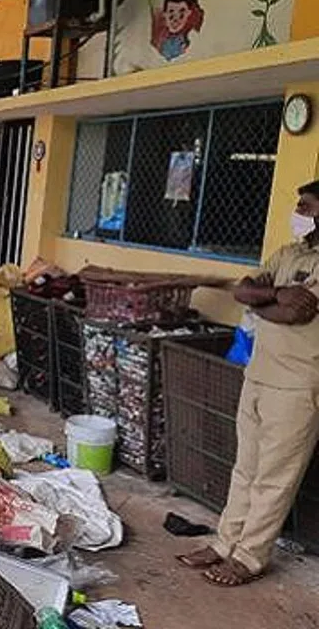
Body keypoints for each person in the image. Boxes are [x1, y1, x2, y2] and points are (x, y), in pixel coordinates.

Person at [178, 181, 319, 586]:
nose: (298, 212)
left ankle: (250, 557)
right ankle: (224, 545)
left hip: (298, 385)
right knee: (245, 469)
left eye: (306, 206)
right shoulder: (289, 254)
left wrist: (265, 303)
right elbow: (244, 291)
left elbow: (297, 314)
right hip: (258, 374)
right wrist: (275, 293)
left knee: (275, 478)